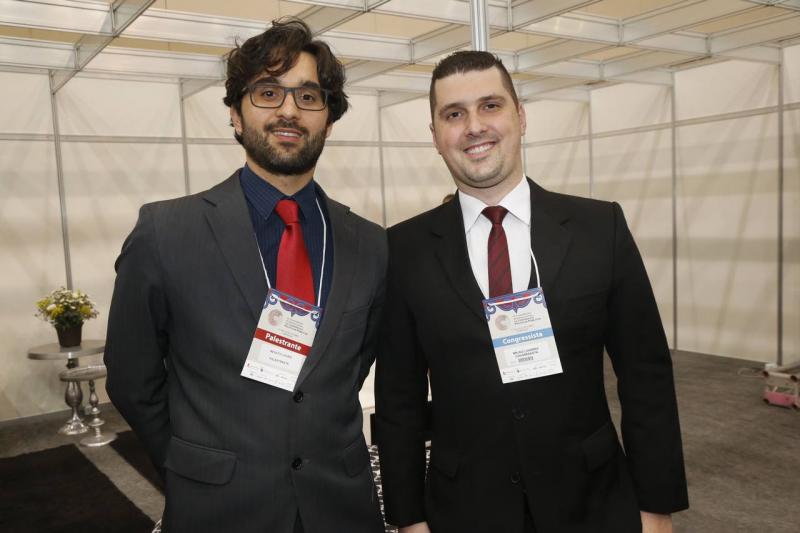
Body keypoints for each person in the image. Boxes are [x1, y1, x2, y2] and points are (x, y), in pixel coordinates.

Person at [375, 50, 688, 533]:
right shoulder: (404, 248)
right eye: (454, 114)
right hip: (464, 509)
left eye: (490, 106)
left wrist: (656, 506)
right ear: (435, 136)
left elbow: (645, 375)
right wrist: (408, 518)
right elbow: (400, 398)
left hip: (593, 502)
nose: (474, 126)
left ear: (520, 117)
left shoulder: (599, 228)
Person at [105, 18, 386, 533]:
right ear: (235, 114)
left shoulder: (370, 244)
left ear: (328, 120)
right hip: (218, 507)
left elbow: (352, 368)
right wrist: (191, 468)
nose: (288, 110)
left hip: (341, 506)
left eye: (308, 96)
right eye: (267, 92)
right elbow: (131, 376)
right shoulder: (165, 232)